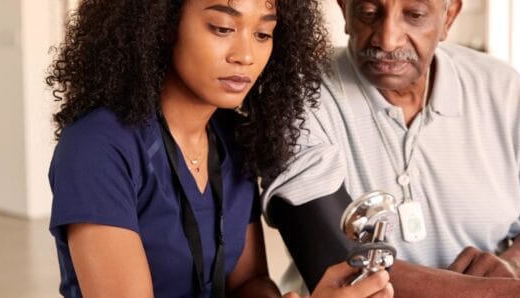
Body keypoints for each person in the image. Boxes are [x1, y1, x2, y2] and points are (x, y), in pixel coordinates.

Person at [261, 0, 520, 296]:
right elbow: (338, 262)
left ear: (449, 17)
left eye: (414, 14)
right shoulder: (297, 93)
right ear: (344, 9)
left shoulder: (503, 88)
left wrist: (513, 267)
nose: (388, 38)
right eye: (368, 12)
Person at [46, 0, 393, 297]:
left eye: (263, 34)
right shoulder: (97, 147)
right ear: (164, 24)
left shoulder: (231, 138)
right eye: (222, 28)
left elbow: (249, 282)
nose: (245, 55)